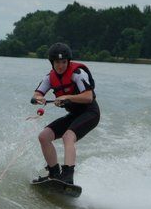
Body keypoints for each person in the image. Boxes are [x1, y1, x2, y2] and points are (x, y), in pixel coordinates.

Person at [31, 42, 100, 184]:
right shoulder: (49, 78)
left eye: (63, 62)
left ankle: (68, 176)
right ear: (52, 62)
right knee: (44, 136)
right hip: (74, 115)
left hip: (90, 113)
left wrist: (66, 97)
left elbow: (88, 97)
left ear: (68, 61)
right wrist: (39, 99)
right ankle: (54, 173)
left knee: (68, 137)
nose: (61, 65)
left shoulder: (77, 74)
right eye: (57, 62)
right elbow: (36, 94)